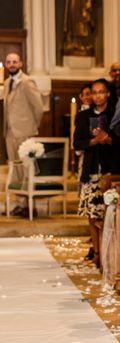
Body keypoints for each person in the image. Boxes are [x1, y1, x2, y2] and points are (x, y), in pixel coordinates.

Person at [73, 78, 120, 263]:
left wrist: (108, 139)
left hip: (111, 169)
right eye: (94, 92)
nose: (97, 96)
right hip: (91, 169)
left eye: (101, 92)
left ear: (108, 93)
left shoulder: (115, 114)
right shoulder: (84, 116)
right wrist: (94, 141)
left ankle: (109, 253)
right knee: (92, 215)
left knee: (107, 214)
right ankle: (96, 252)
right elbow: (76, 143)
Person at [3, 52, 44, 218]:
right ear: (5, 65)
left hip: (25, 133)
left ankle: (30, 205)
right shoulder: (7, 83)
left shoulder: (27, 82)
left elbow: (39, 108)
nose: (11, 64)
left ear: (20, 63)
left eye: (14, 61)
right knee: (16, 170)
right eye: (8, 62)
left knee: (27, 170)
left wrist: (32, 127)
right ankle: (21, 203)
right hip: (10, 133)